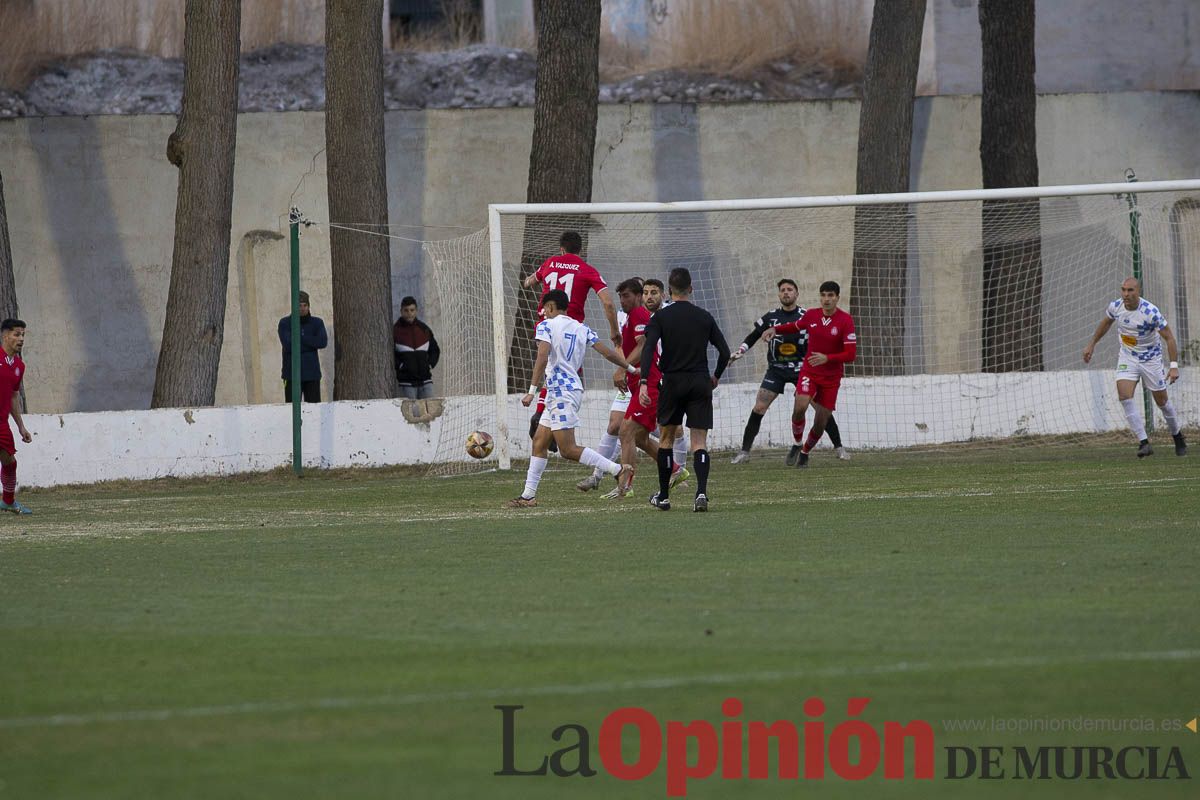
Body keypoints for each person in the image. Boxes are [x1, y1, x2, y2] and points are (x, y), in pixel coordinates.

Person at [506, 290, 634, 508]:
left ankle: (619, 469)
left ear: (550, 307)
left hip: (561, 393)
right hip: (566, 391)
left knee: (567, 449)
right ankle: (528, 496)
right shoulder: (580, 327)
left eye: (544, 308)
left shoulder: (546, 325)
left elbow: (543, 355)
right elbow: (607, 352)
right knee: (539, 442)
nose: (543, 312)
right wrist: (630, 367)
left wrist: (531, 390)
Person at [728, 278, 849, 463]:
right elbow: (754, 335)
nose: (786, 292)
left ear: (796, 294)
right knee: (759, 406)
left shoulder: (806, 316)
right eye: (783, 290)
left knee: (820, 408)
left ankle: (839, 448)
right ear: (779, 294)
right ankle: (744, 452)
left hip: (803, 369)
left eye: (790, 289)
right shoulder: (770, 317)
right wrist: (741, 351)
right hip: (776, 369)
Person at [640, 268, 731, 512]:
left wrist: (643, 382)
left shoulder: (660, 318)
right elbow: (724, 352)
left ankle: (664, 496)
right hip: (700, 381)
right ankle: (701, 493)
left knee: (666, 439)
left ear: (669, 291)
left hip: (672, 382)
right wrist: (716, 376)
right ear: (691, 289)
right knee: (698, 441)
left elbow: (648, 350)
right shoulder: (704, 316)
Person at [522, 231, 620, 443]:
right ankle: (556, 424)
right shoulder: (587, 270)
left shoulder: (550, 263)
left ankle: (542, 413)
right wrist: (614, 330)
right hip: (570, 329)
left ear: (561, 249)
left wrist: (530, 281)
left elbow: (529, 281)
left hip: (545, 325)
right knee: (570, 377)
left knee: (552, 369)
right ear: (580, 250)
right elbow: (608, 302)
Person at [1082, 277, 1187, 457]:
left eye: (1130, 290)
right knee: (1124, 395)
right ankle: (1144, 442)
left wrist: (1174, 366)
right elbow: (1106, 323)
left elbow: (1169, 337)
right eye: (1123, 290)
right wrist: (1092, 343)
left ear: (1138, 291)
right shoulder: (1116, 307)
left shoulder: (1150, 312)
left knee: (1162, 402)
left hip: (1151, 359)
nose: (1126, 294)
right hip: (1128, 357)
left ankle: (1177, 436)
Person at [764, 280, 857, 467]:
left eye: (830, 295)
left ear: (837, 298)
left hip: (831, 378)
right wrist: (775, 329)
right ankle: (797, 444)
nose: (826, 299)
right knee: (800, 406)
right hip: (809, 371)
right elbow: (795, 326)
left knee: (821, 421)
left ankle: (805, 452)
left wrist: (827, 358)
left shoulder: (845, 320)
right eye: (823, 295)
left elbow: (851, 354)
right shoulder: (812, 315)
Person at [0, 319, 32, 514]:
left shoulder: (19, 366)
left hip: (2, 423)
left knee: (10, 462)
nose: (21, 339)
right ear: (5, 336)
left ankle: (8, 502)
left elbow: (13, 395)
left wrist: (21, 426)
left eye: (23, 335)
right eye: (16, 334)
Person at [278, 290, 328, 403]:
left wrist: (298, 338)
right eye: (299, 305)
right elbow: (288, 346)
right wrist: (311, 343)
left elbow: (322, 342)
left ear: (309, 306)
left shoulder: (317, 323)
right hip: (291, 375)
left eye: (305, 305)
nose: (302, 308)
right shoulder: (285, 323)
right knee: (292, 409)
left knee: (314, 409)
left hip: (312, 375)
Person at [393, 296, 440, 399]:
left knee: (430, 413)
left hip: (426, 382)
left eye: (412, 310)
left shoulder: (424, 329)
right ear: (401, 311)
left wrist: (429, 364)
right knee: (410, 414)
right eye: (406, 310)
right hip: (406, 384)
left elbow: (435, 349)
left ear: (416, 311)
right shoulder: (395, 331)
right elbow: (390, 354)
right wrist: (401, 366)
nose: (409, 313)